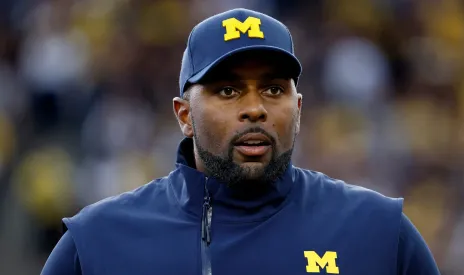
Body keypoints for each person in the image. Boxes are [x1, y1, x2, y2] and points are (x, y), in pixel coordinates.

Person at [41, 8, 440, 275]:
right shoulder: (97, 244)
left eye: (272, 89)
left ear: (298, 108)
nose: (254, 109)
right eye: (228, 90)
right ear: (184, 116)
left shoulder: (377, 231)